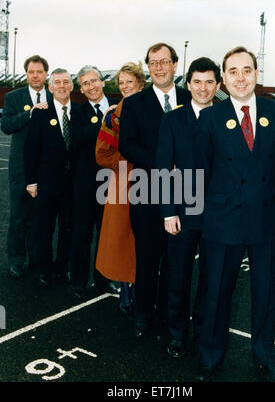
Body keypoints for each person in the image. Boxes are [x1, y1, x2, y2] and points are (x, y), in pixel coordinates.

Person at [193, 46, 275, 382]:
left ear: (256, 74)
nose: (240, 77)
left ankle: (265, 355)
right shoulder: (209, 117)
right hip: (222, 220)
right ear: (223, 77)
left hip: (265, 218)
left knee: (266, 294)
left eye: (247, 70)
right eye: (233, 71)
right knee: (216, 293)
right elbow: (202, 168)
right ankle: (210, 355)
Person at [119, 43, 191, 337]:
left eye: (164, 62)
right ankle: (143, 313)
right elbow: (127, 145)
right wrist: (164, 165)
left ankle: (170, 316)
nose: (159, 67)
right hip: (146, 191)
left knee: (178, 261)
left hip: (186, 192)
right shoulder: (135, 103)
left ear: (175, 64)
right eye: (153, 63)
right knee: (147, 258)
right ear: (148, 68)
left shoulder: (192, 99)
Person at [156, 57, 221, 359]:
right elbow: (162, 168)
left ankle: (205, 333)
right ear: (188, 84)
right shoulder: (172, 119)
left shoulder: (226, 118)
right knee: (178, 276)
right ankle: (177, 333)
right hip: (181, 213)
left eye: (209, 82)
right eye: (197, 81)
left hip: (219, 216)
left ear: (218, 85)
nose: (203, 87)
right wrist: (168, 211)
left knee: (213, 279)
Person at [95, 61, 146, 313]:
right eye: (121, 82)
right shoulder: (112, 116)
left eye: (130, 81)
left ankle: (143, 286)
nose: (125, 86)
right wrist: (128, 160)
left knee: (146, 237)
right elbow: (101, 155)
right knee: (121, 238)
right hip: (123, 180)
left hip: (152, 180)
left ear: (140, 83)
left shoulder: (155, 109)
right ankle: (126, 287)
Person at [24, 68, 80, 287]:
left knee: (68, 228)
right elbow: (31, 149)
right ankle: (45, 268)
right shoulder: (41, 112)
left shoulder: (81, 111)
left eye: (66, 82)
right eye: (57, 82)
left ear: (72, 86)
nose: (62, 86)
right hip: (46, 183)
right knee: (44, 229)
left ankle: (62, 268)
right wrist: (31, 180)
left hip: (72, 184)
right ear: (50, 87)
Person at [69, 66, 119, 299]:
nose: (91, 86)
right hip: (85, 183)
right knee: (82, 233)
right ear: (81, 89)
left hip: (112, 181)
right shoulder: (77, 112)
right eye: (85, 83)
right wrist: (103, 121)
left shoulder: (121, 107)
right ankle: (78, 281)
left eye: (94, 81)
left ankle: (103, 280)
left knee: (106, 234)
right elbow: (77, 138)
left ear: (102, 82)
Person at [1, 55, 52, 278]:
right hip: (20, 167)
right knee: (18, 216)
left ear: (45, 74)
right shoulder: (13, 97)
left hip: (46, 167)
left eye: (39, 71)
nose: (35, 75)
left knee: (40, 216)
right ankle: (16, 260)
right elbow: (6, 126)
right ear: (26, 73)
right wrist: (29, 113)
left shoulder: (54, 96)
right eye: (31, 72)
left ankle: (37, 259)